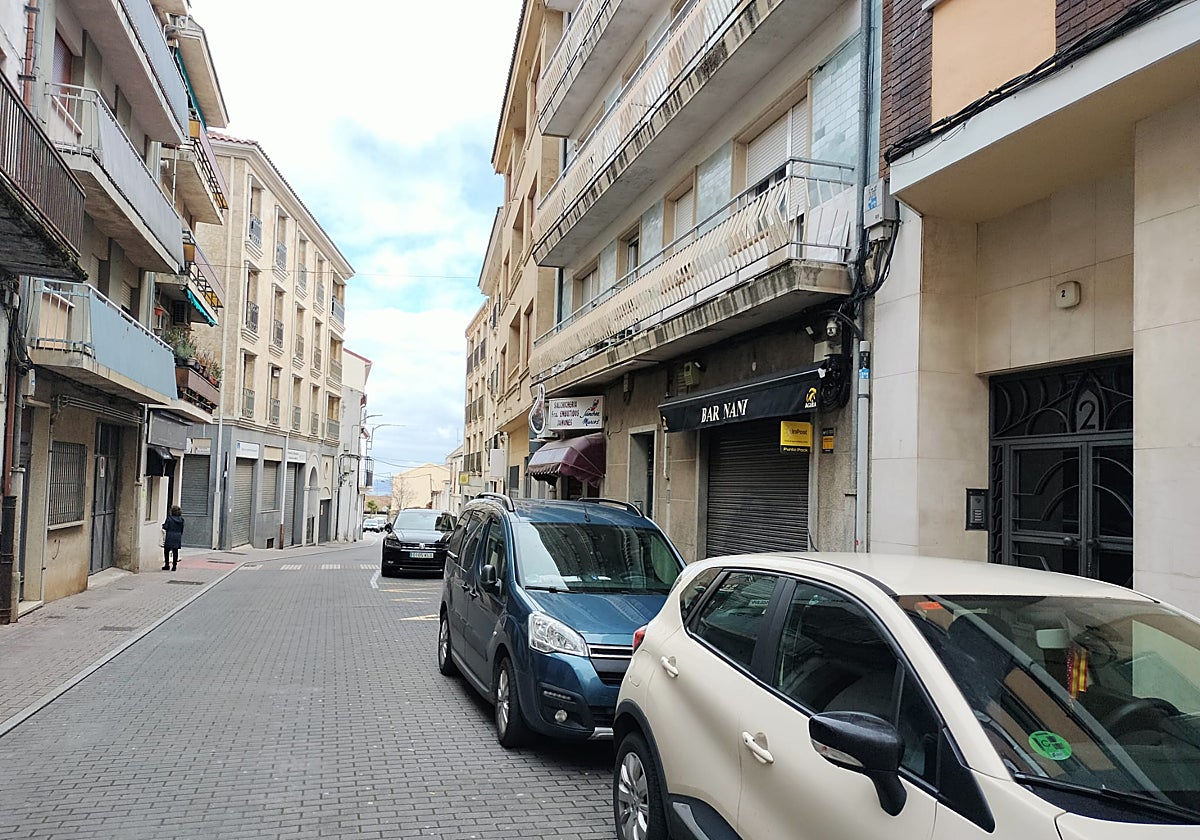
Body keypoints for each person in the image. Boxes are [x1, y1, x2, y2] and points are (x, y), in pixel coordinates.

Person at [162, 505, 185, 571]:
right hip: (177, 536)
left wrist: (163, 526)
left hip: (170, 535)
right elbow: (182, 529)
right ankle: (174, 566)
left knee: (166, 550)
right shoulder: (181, 519)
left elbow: (166, 527)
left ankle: (167, 565)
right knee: (175, 551)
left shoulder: (169, 518)